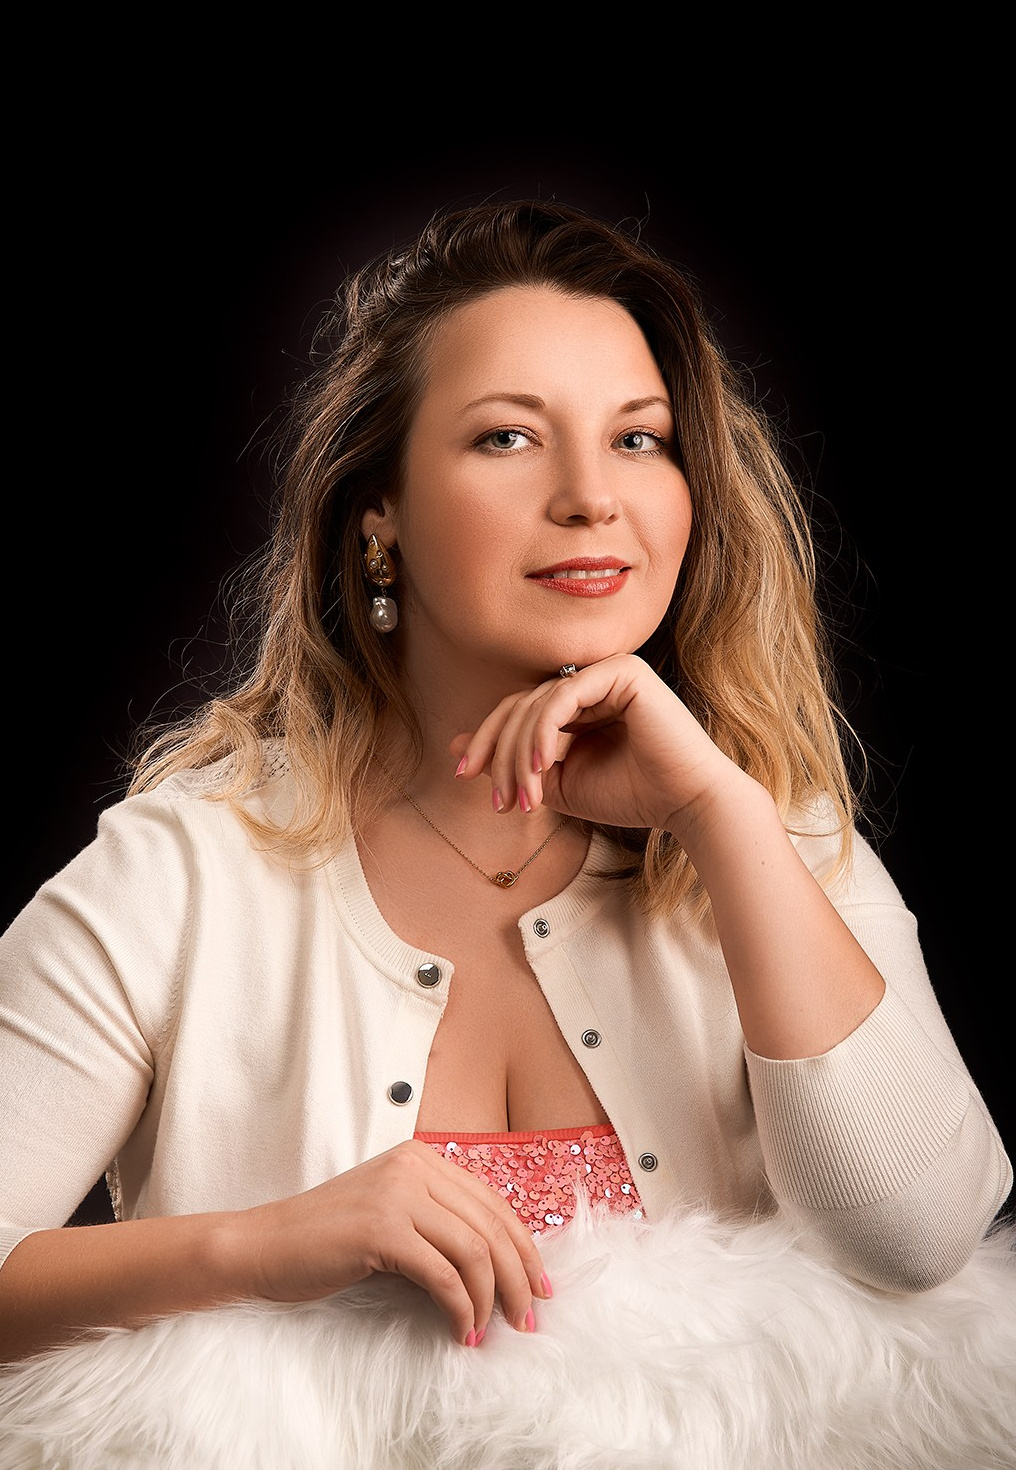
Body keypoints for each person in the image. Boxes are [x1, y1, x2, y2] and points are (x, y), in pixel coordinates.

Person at [0, 198, 1010, 1367]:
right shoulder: (180, 873)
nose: (592, 495)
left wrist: (721, 814)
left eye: (639, 438)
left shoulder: (771, 839)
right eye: (506, 437)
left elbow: (924, 1236)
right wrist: (267, 1243)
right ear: (377, 514)